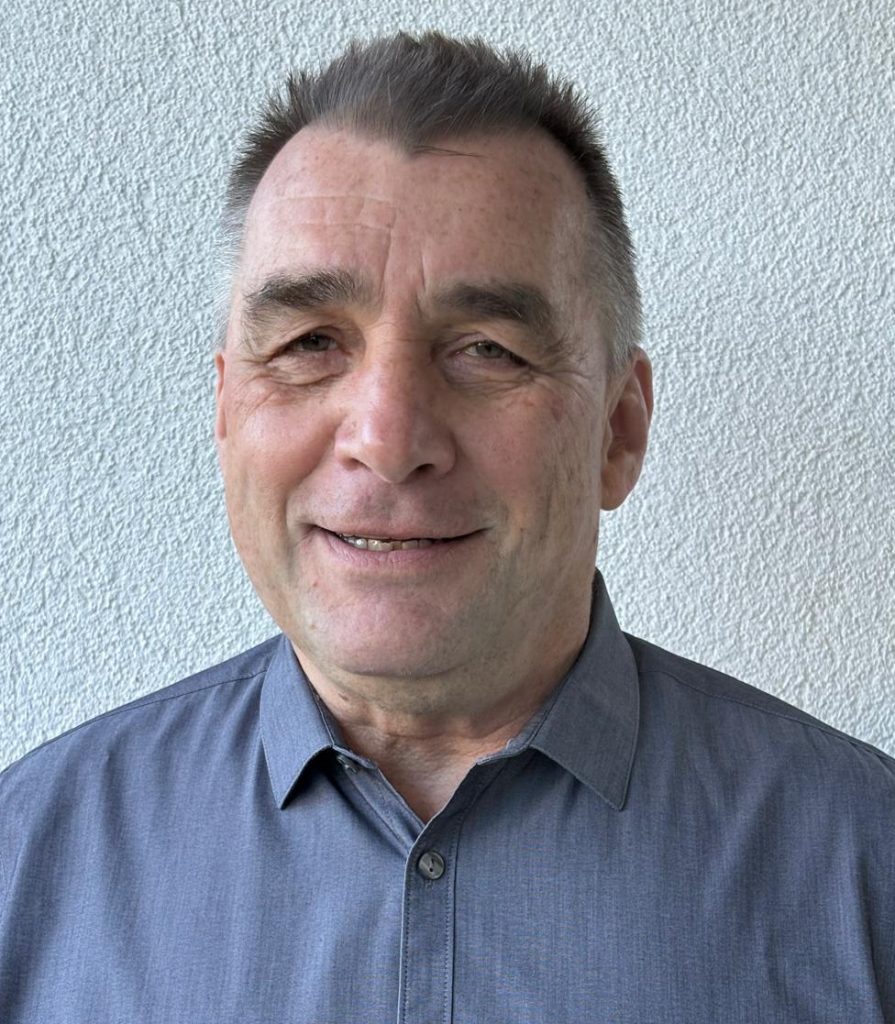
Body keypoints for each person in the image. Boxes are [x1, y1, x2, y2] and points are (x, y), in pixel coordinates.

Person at [1, 30, 892, 1023]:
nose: (387, 441)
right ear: (225, 412)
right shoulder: (26, 864)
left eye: (485, 349)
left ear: (618, 430)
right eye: (309, 342)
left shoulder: (865, 870)